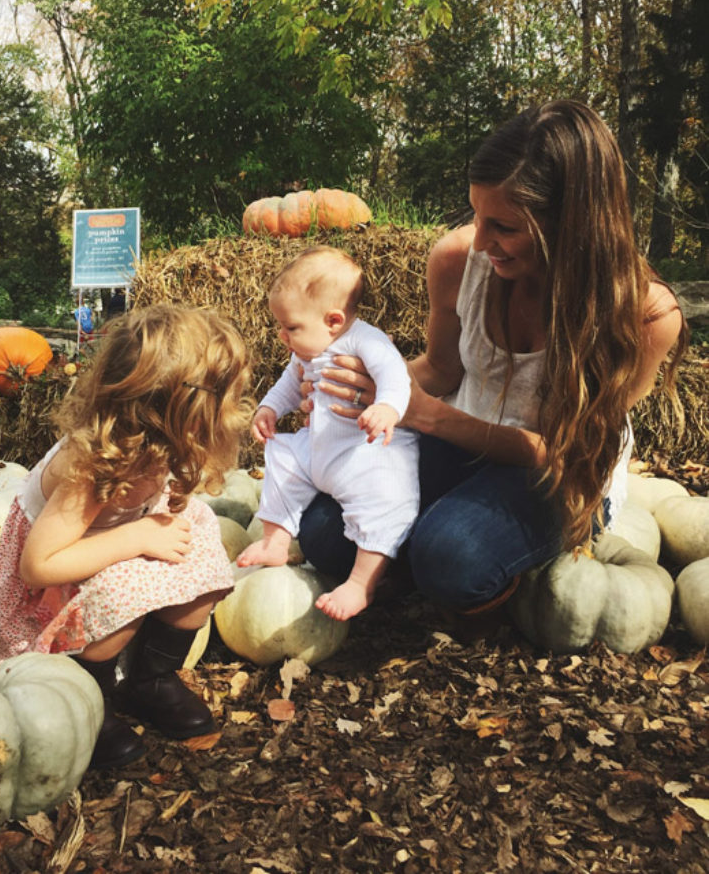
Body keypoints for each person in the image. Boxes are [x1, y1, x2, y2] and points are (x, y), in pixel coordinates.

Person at [293, 101, 688, 621]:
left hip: (559, 477)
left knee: (452, 555)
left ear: (572, 224)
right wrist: (358, 387)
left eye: (502, 226)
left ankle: (467, 569)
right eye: (476, 216)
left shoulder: (645, 316)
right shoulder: (458, 260)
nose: (481, 241)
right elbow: (439, 370)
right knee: (323, 530)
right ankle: (436, 555)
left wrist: (426, 415)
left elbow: (565, 454)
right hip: (462, 444)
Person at [0, 305, 253, 769]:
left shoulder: (162, 442)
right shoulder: (89, 462)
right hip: (55, 583)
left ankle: (149, 680)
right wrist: (136, 539)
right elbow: (38, 566)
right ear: (174, 409)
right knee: (121, 596)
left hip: (118, 544)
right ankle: (82, 698)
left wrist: (155, 529)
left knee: (203, 549)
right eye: (225, 399)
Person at [237, 246, 420, 621]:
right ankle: (275, 541)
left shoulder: (365, 341)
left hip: (365, 453)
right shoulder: (305, 352)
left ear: (333, 320)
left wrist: (386, 407)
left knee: (386, 503)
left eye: (291, 327)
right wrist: (269, 409)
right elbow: (289, 385)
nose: (282, 337)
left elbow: (394, 376)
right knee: (282, 453)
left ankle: (361, 583)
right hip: (322, 448)